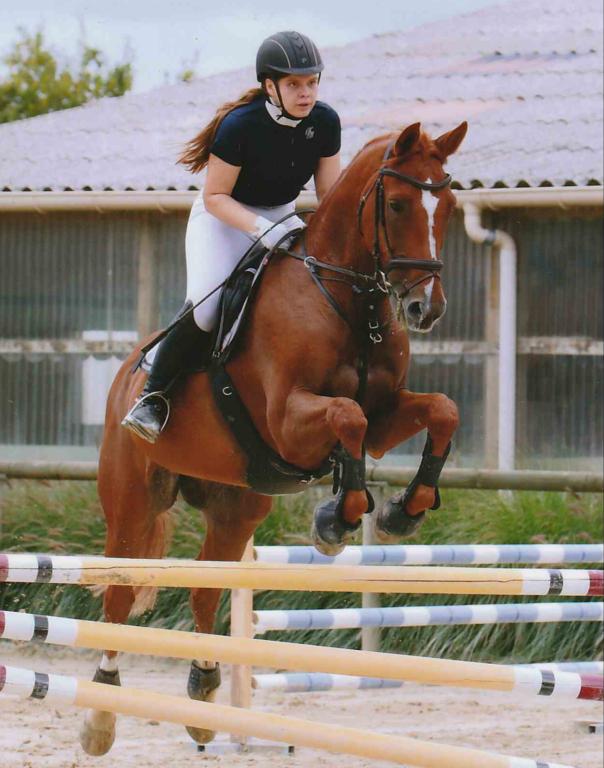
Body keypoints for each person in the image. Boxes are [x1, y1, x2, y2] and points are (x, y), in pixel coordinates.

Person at [122, 30, 342, 443]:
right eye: (294, 84)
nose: (306, 93)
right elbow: (216, 195)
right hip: (222, 219)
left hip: (282, 216)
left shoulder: (325, 122)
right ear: (269, 86)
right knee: (207, 307)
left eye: (312, 82)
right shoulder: (240, 125)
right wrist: (259, 229)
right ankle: (152, 397)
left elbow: (330, 196)